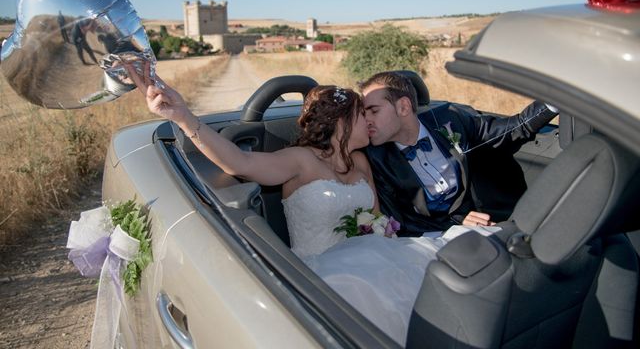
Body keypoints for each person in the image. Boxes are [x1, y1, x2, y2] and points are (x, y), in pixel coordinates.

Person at [125, 63, 491, 345]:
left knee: (453, 271)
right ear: (342, 123)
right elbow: (240, 163)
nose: (370, 122)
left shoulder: (362, 162)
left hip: (376, 258)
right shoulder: (299, 160)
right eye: (363, 115)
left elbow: (381, 222)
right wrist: (183, 116)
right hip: (322, 275)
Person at [361, 71, 558, 235]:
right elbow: (402, 223)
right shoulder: (376, 159)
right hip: (435, 239)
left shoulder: (451, 119)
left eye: (374, 111)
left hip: (495, 221)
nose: (366, 120)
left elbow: (512, 130)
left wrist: (557, 98)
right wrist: (456, 228)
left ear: (403, 107)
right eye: (363, 113)